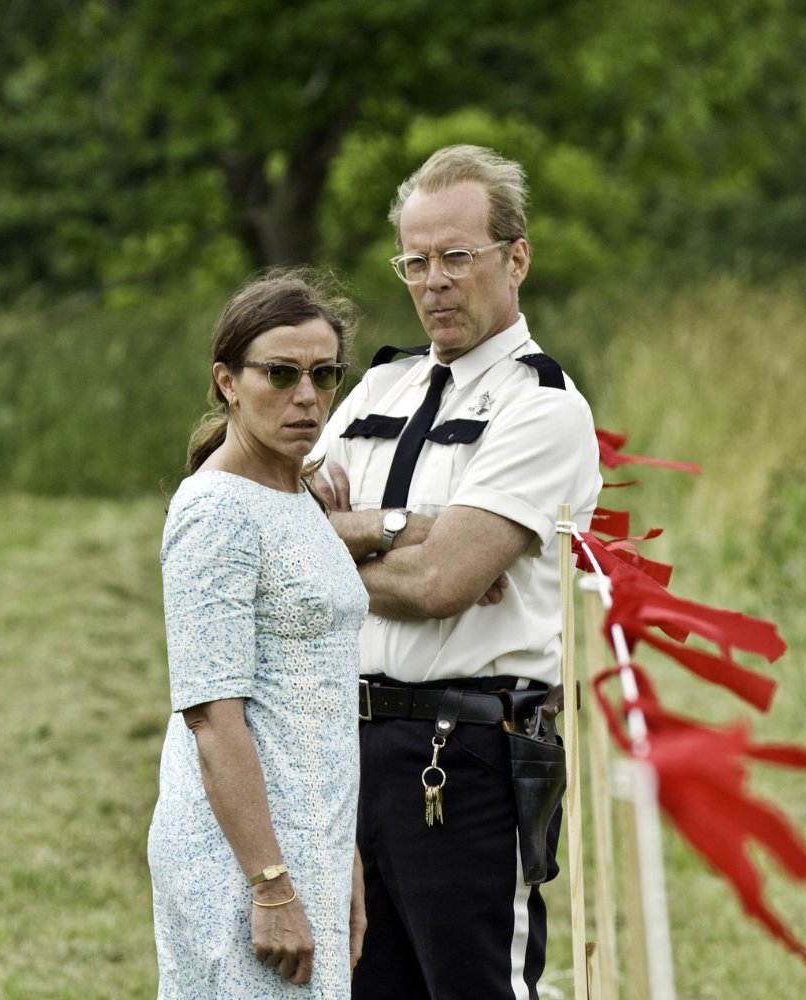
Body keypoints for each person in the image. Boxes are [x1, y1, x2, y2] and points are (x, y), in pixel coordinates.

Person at [311, 145, 602, 999]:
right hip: (344, 743)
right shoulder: (373, 391)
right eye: (415, 260)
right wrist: (405, 530)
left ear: (516, 259)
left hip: (467, 755)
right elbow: (277, 540)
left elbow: (441, 587)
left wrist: (337, 545)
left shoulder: (542, 408)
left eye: (456, 257)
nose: (433, 281)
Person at [148, 270, 370, 998]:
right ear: (227, 382)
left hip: (306, 838)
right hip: (242, 856)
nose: (307, 396)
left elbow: (314, 691)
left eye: (325, 374)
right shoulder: (216, 512)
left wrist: (344, 855)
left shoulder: (293, 488)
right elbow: (213, 717)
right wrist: (271, 885)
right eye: (280, 373)